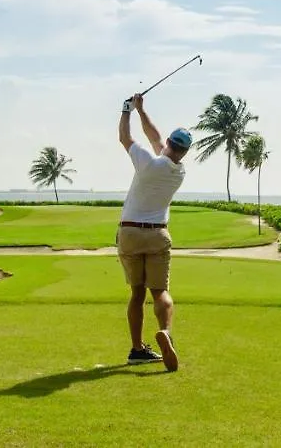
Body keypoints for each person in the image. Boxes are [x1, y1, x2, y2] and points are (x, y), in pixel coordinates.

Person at [117, 92, 191, 372]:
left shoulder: (148, 162)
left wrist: (126, 110)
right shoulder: (178, 171)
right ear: (183, 151)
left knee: (137, 294)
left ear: (169, 144)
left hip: (130, 233)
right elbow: (155, 138)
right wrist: (141, 110)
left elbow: (126, 138)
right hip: (158, 234)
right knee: (159, 292)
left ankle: (137, 350)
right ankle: (166, 333)